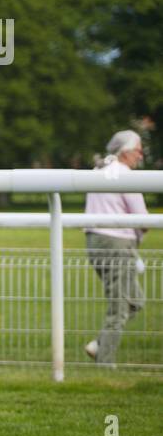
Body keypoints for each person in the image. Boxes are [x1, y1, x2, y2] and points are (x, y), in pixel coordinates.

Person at [84, 129, 149, 365]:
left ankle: (99, 344)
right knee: (120, 306)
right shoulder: (125, 175)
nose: (141, 156)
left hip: (94, 242)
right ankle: (105, 361)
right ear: (127, 151)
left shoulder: (98, 170)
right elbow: (142, 217)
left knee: (136, 300)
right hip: (117, 243)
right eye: (139, 151)